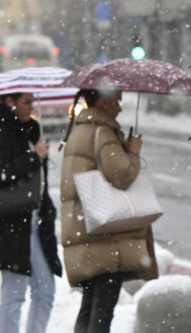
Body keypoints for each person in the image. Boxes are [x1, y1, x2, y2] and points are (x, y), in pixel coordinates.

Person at [60, 89, 158, 333]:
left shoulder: (79, 130)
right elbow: (122, 175)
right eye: (117, 102)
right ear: (103, 102)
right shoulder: (103, 132)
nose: (120, 108)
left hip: (87, 228)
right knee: (103, 309)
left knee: (89, 305)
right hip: (107, 237)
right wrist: (132, 152)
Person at [0, 92, 62, 333]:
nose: (31, 106)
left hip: (37, 220)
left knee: (45, 290)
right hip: (13, 222)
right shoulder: (0, 132)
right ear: (10, 102)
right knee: (14, 291)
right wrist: (33, 156)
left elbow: (40, 180)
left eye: (32, 101)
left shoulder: (32, 130)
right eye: (26, 102)